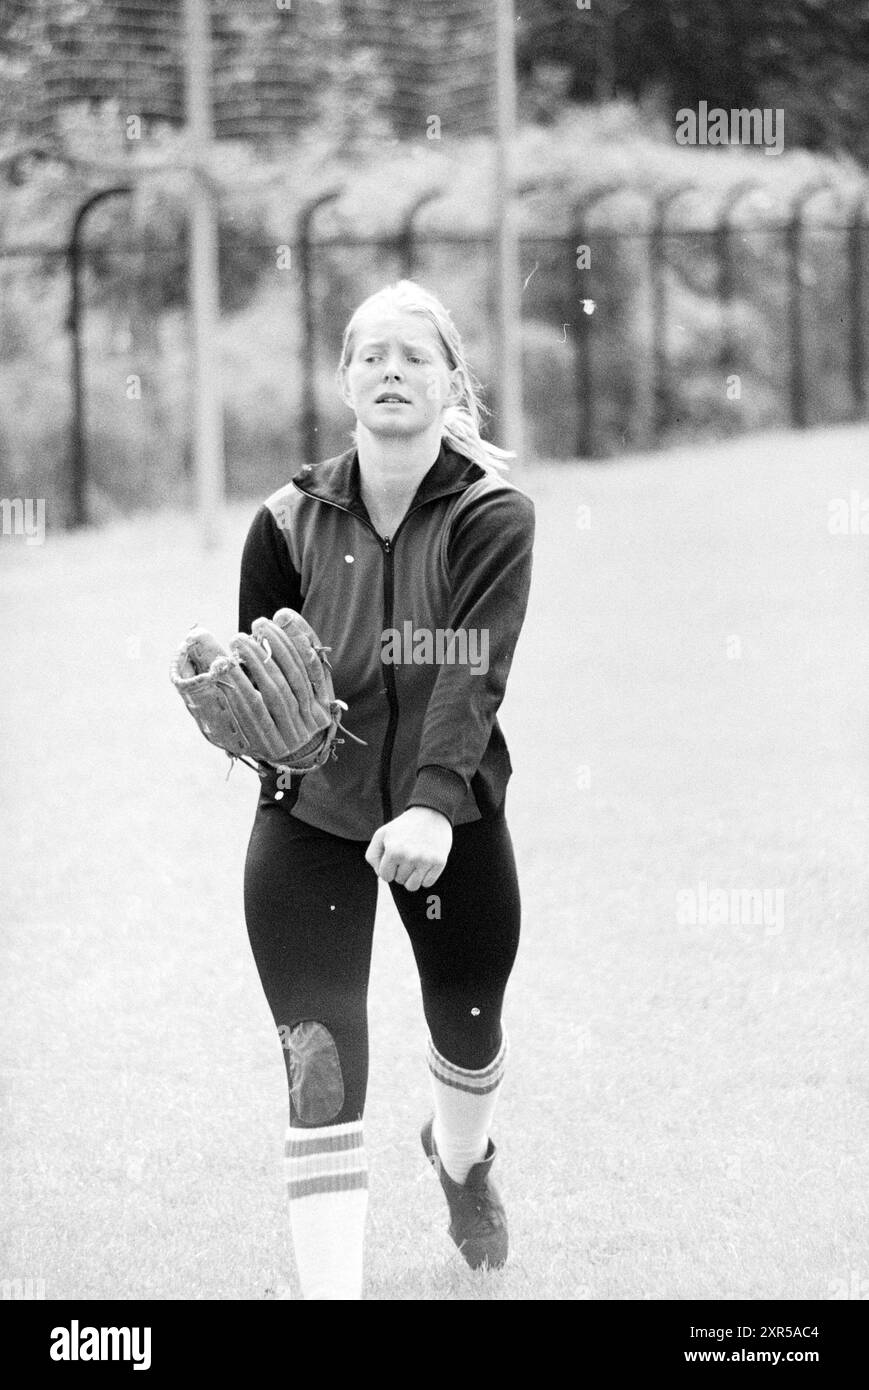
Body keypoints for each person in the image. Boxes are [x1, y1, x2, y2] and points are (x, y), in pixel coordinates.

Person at [239, 279, 535, 1300]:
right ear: (344, 380)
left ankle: (461, 1165)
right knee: (317, 1058)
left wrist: (429, 802)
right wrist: (259, 741)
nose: (392, 371)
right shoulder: (284, 518)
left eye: (414, 355)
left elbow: (469, 668)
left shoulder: (492, 514)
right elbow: (261, 678)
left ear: (452, 381)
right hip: (312, 819)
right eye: (372, 355)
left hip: (446, 816)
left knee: (468, 1024)